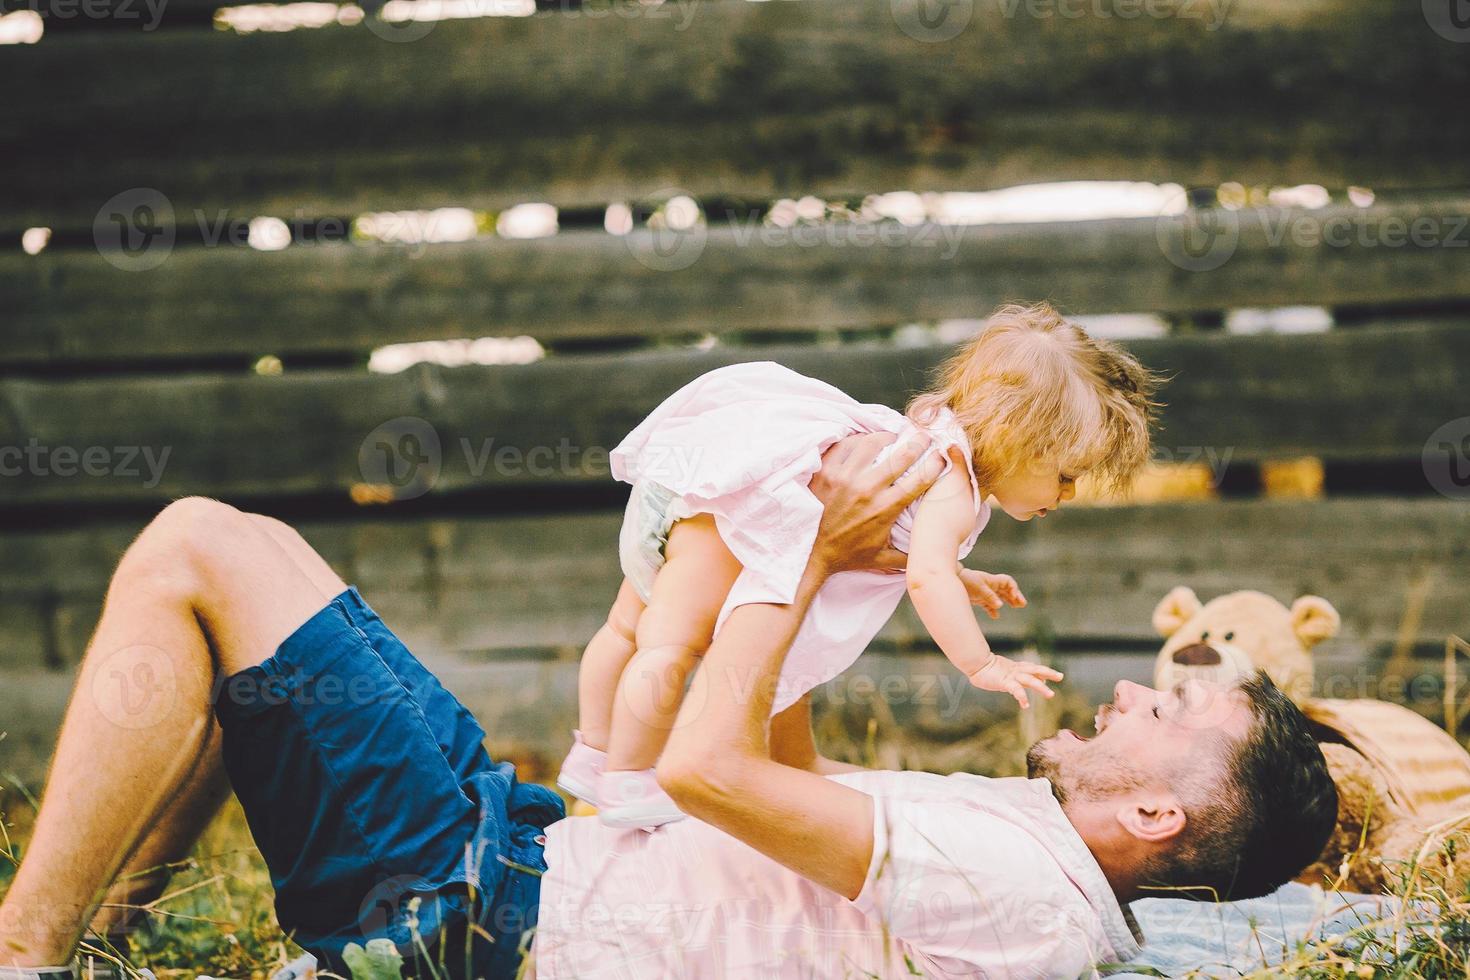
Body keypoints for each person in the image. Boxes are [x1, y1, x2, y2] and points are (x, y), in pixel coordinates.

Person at [0, 433, 1337, 980]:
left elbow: (706, 773)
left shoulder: (1016, 884)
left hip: (489, 914)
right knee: (257, 563)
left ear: (1157, 809)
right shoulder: (1024, 849)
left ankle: (23, 954)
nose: (1124, 691)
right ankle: (108, 939)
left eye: (1164, 712)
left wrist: (801, 553)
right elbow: (770, 775)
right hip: (521, 859)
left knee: (196, 548)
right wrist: (835, 590)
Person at [565, 302, 1159, 827]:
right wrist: (981, 664)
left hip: (691, 501)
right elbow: (927, 576)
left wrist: (965, 579)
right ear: (1020, 439)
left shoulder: (936, 439)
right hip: (722, 535)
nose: (1069, 494)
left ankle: (593, 752)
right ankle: (628, 780)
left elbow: (918, 559)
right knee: (669, 647)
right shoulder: (953, 482)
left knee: (625, 630)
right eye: (1065, 475)